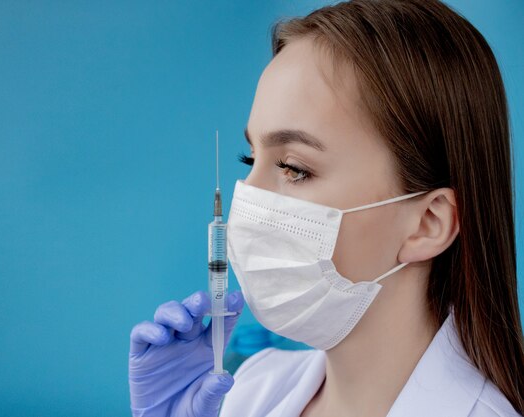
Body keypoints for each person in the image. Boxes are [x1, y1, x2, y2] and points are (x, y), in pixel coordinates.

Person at [128, 0, 524, 416]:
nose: (246, 199)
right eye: (251, 160)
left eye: (293, 168)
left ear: (428, 223)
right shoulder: (246, 389)